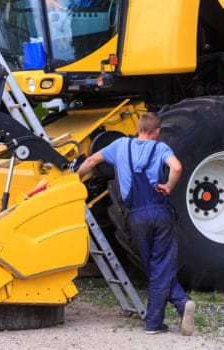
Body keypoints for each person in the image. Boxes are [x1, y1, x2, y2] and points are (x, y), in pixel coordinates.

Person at [77, 112, 196, 336]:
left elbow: (92, 161)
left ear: (138, 128)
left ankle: (164, 316)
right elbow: (177, 167)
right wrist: (169, 186)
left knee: (153, 267)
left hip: (136, 216)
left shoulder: (121, 145)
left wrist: (74, 181)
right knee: (160, 265)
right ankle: (175, 306)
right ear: (157, 132)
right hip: (160, 212)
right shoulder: (160, 148)